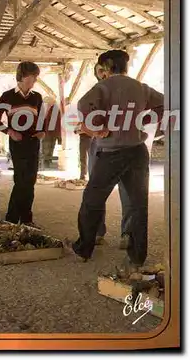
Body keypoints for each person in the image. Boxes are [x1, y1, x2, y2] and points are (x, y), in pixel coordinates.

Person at [65, 50, 164, 269]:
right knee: (138, 204)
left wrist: (98, 127)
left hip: (111, 153)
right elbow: (163, 104)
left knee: (92, 201)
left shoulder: (103, 87)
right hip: (137, 152)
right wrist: (144, 119)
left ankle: (84, 249)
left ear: (106, 68)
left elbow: (84, 105)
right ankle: (137, 257)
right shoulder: (140, 87)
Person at [76, 62, 132, 249]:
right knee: (96, 192)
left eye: (105, 70)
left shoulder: (130, 89)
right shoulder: (95, 93)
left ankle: (128, 235)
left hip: (126, 146)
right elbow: (84, 121)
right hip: (100, 147)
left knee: (129, 191)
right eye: (99, 71)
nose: (103, 74)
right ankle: (96, 232)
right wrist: (93, 131)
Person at [0, 61, 45, 226]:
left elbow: (42, 119)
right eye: (33, 77)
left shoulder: (37, 97)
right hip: (17, 143)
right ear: (22, 76)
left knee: (30, 181)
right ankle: (11, 219)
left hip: (33, 143)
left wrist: (42, 131)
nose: (35, 81)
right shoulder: (8, 96)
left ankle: (26, 219)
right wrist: (9, 131)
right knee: (21, 180)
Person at [42, 97, 62, 169]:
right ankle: (46, 161)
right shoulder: (48, 109)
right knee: (47, 147)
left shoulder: (54, 109)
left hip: (50, 132)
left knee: (49, 147)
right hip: (48, 132)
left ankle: (47, 161)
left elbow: (55, 122)